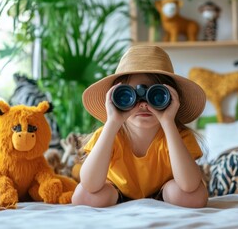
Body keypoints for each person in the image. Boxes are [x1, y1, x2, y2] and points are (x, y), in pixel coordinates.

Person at [71, 45, 208, 208]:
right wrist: (112, 122)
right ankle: (119, 200)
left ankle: (164, 199)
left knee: (196, 196)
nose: (143, 104)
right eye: (129, 95)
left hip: (163, 192)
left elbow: (189, 185)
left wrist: (167, 122)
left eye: (155, 95)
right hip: (116, 192)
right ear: (115, 99)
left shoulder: (179, 136)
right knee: (82, 195)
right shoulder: (109, 133)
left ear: (171, 99)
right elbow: (90, 184)